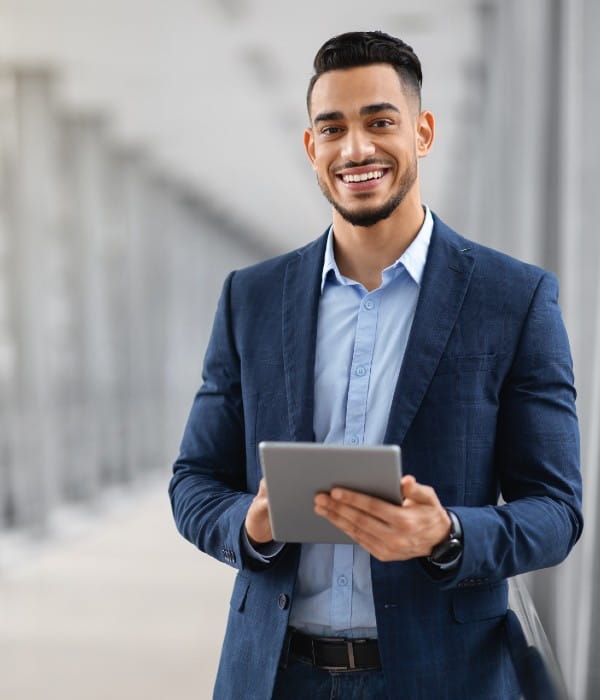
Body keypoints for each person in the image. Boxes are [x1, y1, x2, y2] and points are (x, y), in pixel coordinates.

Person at [169, 30, 583, 700]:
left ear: (422, 132)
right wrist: (250, 525)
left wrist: (446, 533)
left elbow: (557, 511)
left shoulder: (514, 299)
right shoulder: (251, 297)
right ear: (312, 148)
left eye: (380, 122)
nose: (356, 149)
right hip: (273, 676)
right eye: (332, 128)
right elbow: (194, 482)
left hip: (445, 677)